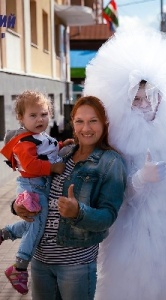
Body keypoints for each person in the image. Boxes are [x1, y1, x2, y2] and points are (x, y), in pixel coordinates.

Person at [84, 27, 166, 299]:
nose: (145, 103)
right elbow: (114, 195)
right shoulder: (117, 139)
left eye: (150, 97)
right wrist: (140, 179)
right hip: (134, 233)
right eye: (136, 99)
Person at [11, 95, 127, 300]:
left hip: (75, 266)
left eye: (93, 121)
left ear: (104, 123)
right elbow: (34, 186)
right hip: (40, 261)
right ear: (72, 123)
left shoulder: (111, 162)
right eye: (80, 121)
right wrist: (17, 206)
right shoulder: (61, 153)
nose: (86, 128)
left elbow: (108, 216)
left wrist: (78, 213)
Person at [0, 90, 73, 295]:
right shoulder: (24, 142)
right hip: (32, 187)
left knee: (35, 223)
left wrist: (61, 145)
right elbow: (31, 165)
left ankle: (5, 233)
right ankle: (19, 267)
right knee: (37, 225)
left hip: (40, 186)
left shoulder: (41, 137)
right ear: (21, 118)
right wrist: (52, 168)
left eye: (44, 114)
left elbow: (48, 149)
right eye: (33, 115)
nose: (40, 119)